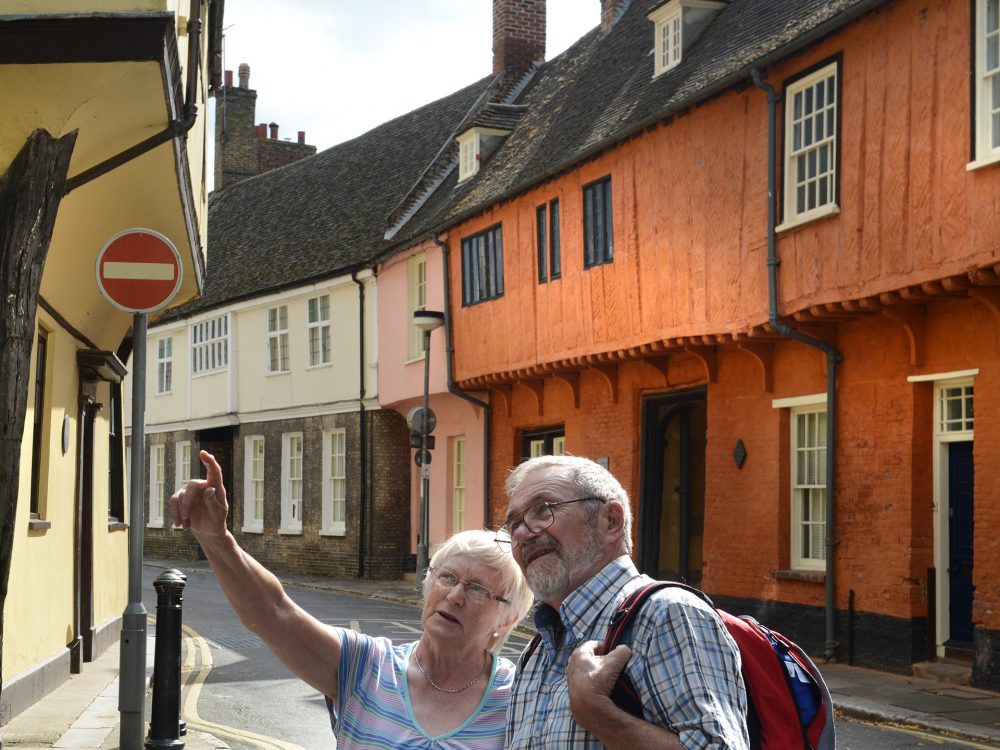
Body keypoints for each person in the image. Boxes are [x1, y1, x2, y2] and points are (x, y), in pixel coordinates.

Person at [170, 450, 534, 749]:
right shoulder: (367, 666)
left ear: (507, 619)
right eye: (447, 578)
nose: (454, 596)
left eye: (476, 589)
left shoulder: (522, 698)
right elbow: (274, 612)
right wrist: (217, 539)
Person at [498, 454, 749, 749]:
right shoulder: (535, 651)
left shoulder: (666, 613)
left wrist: (598, 714)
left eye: (543, 510)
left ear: (611, 521)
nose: (523, 534)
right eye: (513, 524)